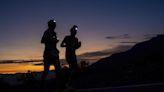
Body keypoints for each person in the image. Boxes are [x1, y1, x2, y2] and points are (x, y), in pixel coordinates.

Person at [40, 19, 62, 86]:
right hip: (48, 54)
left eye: (54, 24)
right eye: (53, 24)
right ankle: (40, 85)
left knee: (58, 70)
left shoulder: (54, 33)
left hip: (54, 54)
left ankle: (60, 85)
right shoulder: (46, 32)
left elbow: (54, 43)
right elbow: (42, 41)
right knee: (46, 71)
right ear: (50, 25)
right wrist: (50, 40)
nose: (55, 25)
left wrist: (56, 47)